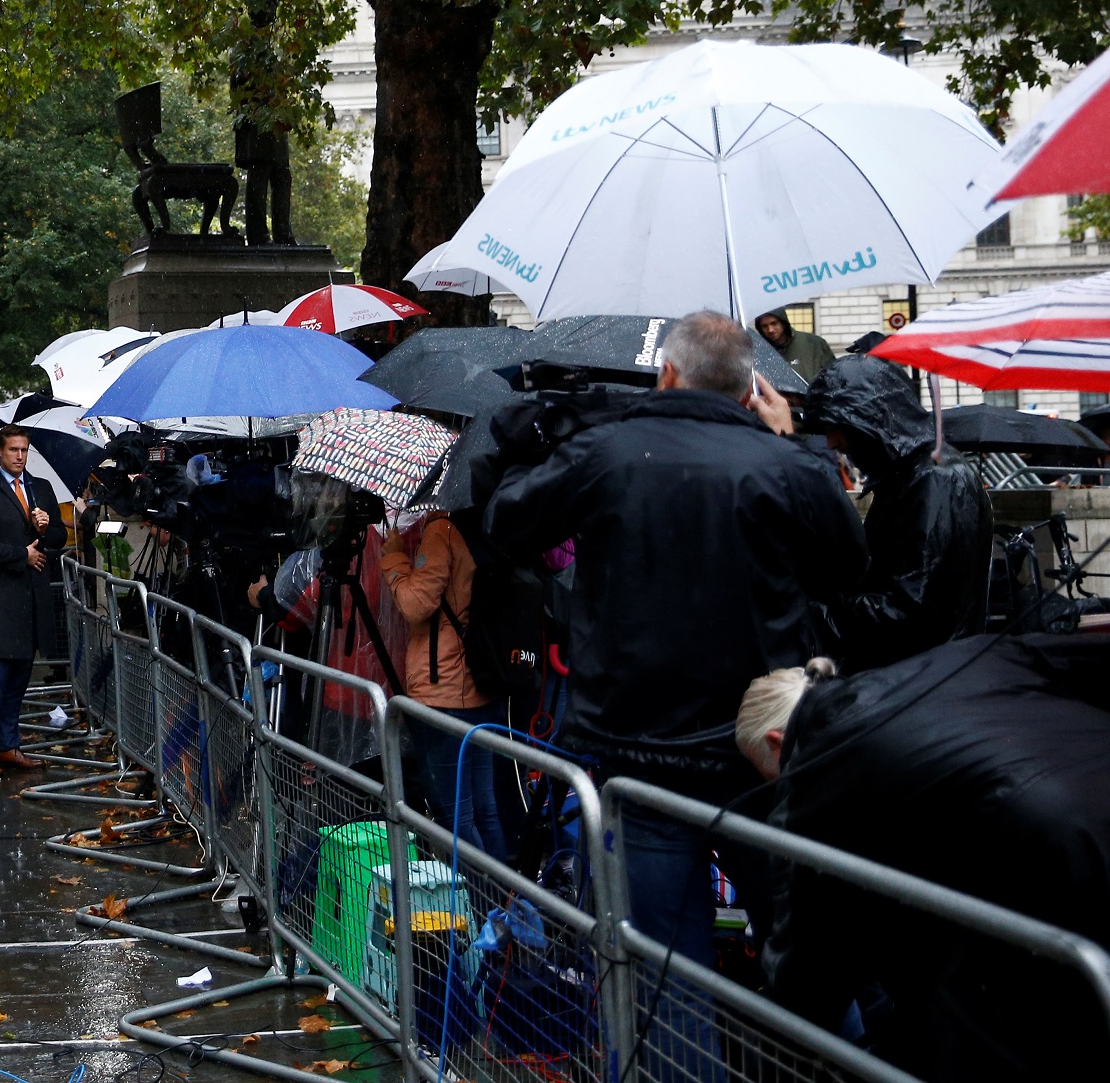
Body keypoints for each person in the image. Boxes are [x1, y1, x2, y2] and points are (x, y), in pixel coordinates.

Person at [484, 310, 867, 973]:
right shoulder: (786, 463)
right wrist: (799, 448)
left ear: (666, 372)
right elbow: (848, 572)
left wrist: (522, 441)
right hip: (762, 749)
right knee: (810, 955)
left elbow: (506, 521)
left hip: (643, 750)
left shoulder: (607, 453)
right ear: (752, 389)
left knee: (662, 970)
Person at [736, 633, 1110, 1080]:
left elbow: (806, 962)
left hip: (1072, 867)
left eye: (768, 778)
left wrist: (775, 1053)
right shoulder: (957, 655)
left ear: (776, 741)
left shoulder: (819, 770)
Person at [800, 355, 993, 670]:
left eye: (837, 428)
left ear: (871, 420)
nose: (833, 442)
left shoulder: (934, 479)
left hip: (924, 677)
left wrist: (824, 611)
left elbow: (912, 608)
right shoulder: (910, 475)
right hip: (920, 671)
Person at [379, 510, 509, 861]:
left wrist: (393, 557)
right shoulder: (488, 521)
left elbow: (416, 604)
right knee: (486, 808)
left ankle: (486, 906)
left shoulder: (442, 529)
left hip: (445, 690)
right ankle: (506, 904)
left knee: (456, 818)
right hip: (484, 681)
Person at [0, 426, 67, 777]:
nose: (20, 457)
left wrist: (46, 526)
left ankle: (8, 746)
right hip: (2, 598)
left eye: (24, 450)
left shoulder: (42, 488)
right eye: (13, 450)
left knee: (21, 678)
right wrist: (18, 555)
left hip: (34, 597)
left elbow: (58, 538)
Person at [753, 307, 837, 384]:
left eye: (774, 323)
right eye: (764, 326)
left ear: (783, 323)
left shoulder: (814, 344)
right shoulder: (758, 351)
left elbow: (834, 375)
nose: (770, 330)